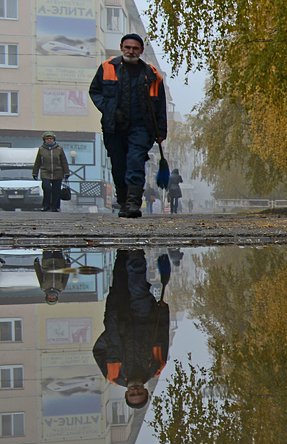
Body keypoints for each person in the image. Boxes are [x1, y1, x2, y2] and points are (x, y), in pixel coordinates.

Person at [88, 33, 168, 219]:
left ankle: (133, 203)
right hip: (114, 126)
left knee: (135, 162)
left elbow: (160, 105)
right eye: (128, 47)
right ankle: (123, 201)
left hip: (141, 127)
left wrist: (161, 131)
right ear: (122, 47)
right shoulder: (107, 68)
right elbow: (95, 91)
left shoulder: (152, 74)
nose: (131, 51)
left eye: (135, 48)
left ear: (141, 51)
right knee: (119, 166)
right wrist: (109, 109)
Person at [93, 249, 171, 410]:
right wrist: (163, 312)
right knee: (137, 286)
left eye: (132, 395)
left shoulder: (113, 375)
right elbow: (163, 336)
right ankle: (135, 251)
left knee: (120, 279)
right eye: (139, 394)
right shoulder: (156, 367)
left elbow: (98, 351)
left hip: (117, 317)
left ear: (126, 394)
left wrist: (111, 334)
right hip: (143, 317)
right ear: (145, 391)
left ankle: (122, 251)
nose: (135, 391)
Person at [32, 132, 69, 212]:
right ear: (44, 140)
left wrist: (66, 172)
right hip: (45, 172)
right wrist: (35, 172)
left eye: (51, 138)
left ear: (54, 139)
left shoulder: (59, 149)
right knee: (46, 188)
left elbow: (64, 161)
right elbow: (37, 162)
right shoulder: (41, 149)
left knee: (56, 190)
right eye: (47, 139)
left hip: (58, 172)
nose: (49, 140)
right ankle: (46, 206)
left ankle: (55, 207)